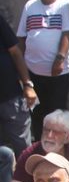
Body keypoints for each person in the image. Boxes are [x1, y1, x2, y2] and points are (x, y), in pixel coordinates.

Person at [17, 0, 69, 139]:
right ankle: (40, 148)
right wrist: (20, 69)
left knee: (56, 114)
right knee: (36, 114)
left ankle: (58, 147)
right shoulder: (30, 5)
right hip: (33, 73)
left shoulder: (65, 4)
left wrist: (60, 59)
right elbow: (21, 37)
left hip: (57, 73)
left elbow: (67, 32)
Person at [0, 14, 36, 156]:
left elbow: (15, 52)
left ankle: (28, 177)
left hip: (10, 95)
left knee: (23, 148)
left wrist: (27, 84)